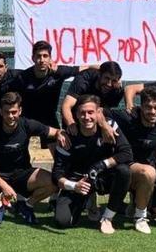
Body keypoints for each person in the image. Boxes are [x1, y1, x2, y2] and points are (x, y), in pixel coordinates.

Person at [0, 92, 68, 226]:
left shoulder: (27, 124)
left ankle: (28, 205)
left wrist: (61, 134)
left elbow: (55, 131)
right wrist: (4, 185)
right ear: (0, 112)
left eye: (14, 112)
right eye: (7, 112)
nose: (10, 116)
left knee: (54, 182)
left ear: (20, 111)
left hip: (23, 174)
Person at [53, 95, 132, 234]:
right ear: (76, 114)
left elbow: (126, 153)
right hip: (79, 182)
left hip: (103, 177)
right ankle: (87, 200)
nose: (86, 117)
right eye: (82, 113)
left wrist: (102, 164)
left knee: (124, 171)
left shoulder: (110, 126)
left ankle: (107, 218)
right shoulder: (68, 136)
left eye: (90, 112)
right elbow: (57, 174)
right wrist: (74, 186)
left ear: (99, 112)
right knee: (63, 221)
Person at [109, 86, 156, 233]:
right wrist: (105, 126)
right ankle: (140, 217)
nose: (153, 111)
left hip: (150, 170)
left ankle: (139, 201)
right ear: (141, 106)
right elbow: (99, 111)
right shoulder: (128, 117)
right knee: (147, 172)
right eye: (148, 107)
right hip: (125, 169)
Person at [13, 41, 94, 152]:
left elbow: (87, 67)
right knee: (19, 156)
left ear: (50, 58)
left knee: (61, 151)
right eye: (38, 56)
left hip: (49, 119)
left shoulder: (58, 72)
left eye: (45, 56)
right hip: (28, 120)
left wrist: (108, 71)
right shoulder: (23, 77)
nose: (41, 60)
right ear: (32, 58)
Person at [61, 61, 125, 135]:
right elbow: (66, 106)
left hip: (96, 119)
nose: (109, 84)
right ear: (100, 75)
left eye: (113, 80)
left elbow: (105, 111)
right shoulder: (83, 79)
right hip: (75, 118)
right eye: (106, 78)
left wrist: (104, 125)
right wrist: (71, 124)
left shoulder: (117, 90)